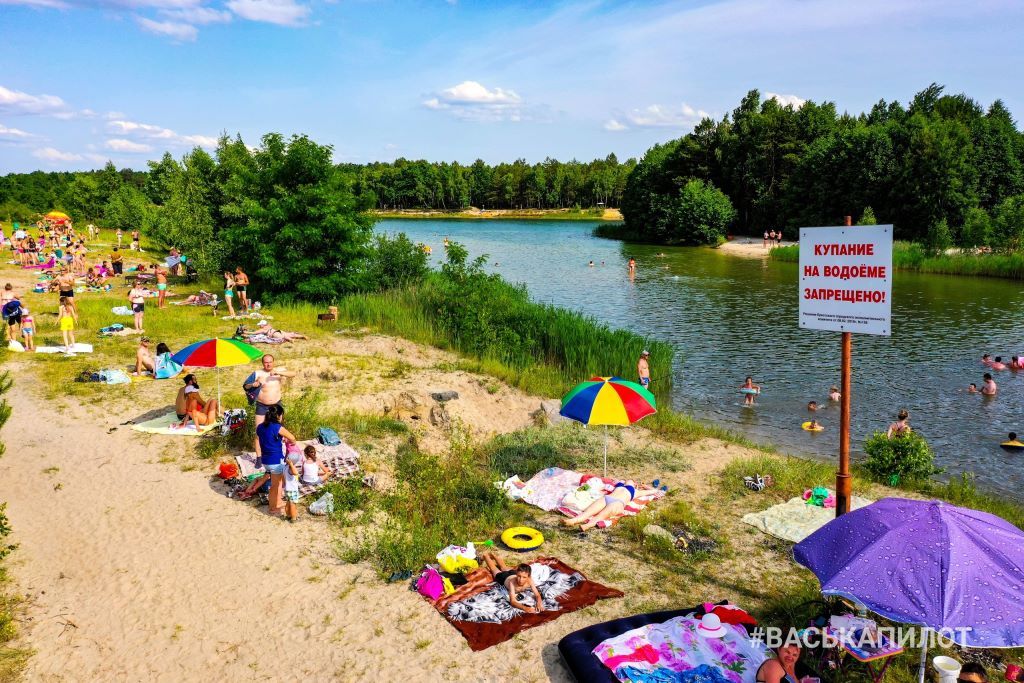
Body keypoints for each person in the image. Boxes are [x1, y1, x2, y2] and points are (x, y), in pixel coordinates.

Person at [247, 354, 297, 456]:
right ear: (263, 363)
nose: (268, 364)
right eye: (266, 362)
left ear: (273, 362)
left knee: (278, 431)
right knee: (258, 433)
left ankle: (277, 452)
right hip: (262, 405)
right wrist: (253, 384)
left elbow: (293, 373)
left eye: (270, 362)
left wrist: (278, 373)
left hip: (276, 406)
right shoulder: (257, 373)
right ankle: (259, 457)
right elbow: (245, 386)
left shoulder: (279, 370)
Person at [562, 480, 659, 531]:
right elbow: (610, 482)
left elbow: (654, 491)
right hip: (607, 498)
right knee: (589, 512)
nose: (629, 481)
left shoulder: (636, 492)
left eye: (632, 481)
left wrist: (645, 486)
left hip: (618, 503)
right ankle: (573, 521)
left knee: (601, 515)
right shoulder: (619, 485)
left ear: (635, 485)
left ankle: (587, 525)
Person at [256, 405, 298, 516]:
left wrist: (279, 439)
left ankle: (277, 502)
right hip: (275, 461)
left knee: (278, 484)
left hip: (265, 461)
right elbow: (292, 437)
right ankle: (273, 507)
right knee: (275, 485)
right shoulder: (277, 427)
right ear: (278, 416)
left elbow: (266, 438)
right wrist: (292, 443)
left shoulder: (260, 427)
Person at [479, 552, 544, 614]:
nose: (520, 580)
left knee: (503, 567)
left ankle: (493, 555)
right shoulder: (512, 582)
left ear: (528, 576)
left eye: (524, 577)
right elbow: (512, 602)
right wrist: (525, 608)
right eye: (519, 576)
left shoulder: (530, 580)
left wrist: (539, 602)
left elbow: (537, 594)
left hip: (511, 573)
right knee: (493, 568)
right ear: (517, 574)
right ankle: (486, 556)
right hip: (503, 577)